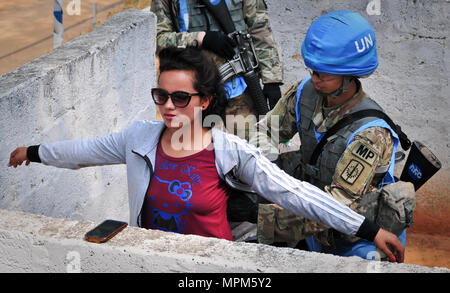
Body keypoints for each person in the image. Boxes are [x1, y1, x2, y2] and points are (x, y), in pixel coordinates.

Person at [8, 46, 404, 262]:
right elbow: (86, 151)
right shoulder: (139, 139)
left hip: (210, 267)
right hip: (150, 260)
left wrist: (368, 230)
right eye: (160, 95)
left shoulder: (229, 151)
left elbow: (296, 194)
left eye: (181, 97)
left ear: (205, 101)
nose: (168, 106)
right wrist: (35, 152)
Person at [251, 11, 415, 260]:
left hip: (355, 239)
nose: (314, 79)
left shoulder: (370, 134)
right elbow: (266, 130)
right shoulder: (306, 93)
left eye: (323, 74)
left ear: (350, 75)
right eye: (312, 70)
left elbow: (337, 207)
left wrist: (261, 218)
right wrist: (266, 166)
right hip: (310, 218)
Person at [150, 0, 284, 139]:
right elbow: (157, 39)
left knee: (257, 147)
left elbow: (260, 29)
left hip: (239, 89)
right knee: (194, 151)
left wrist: (272, 80)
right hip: (192, 95)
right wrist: (201, 38)